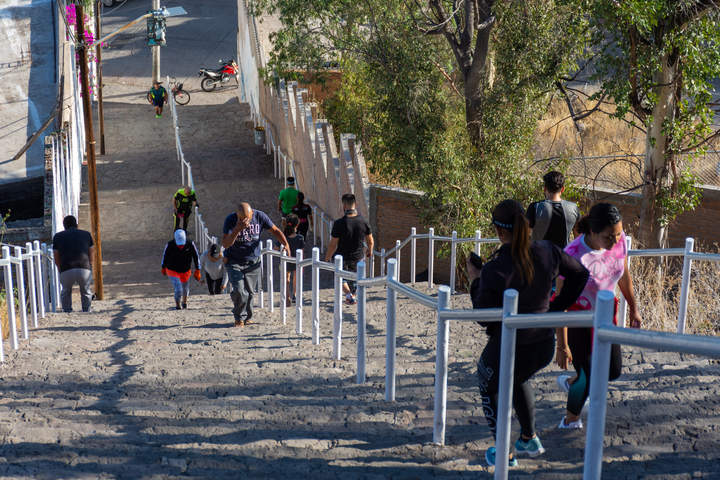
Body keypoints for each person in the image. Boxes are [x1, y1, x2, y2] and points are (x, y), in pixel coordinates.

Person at [466, 199, 589, 468]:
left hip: (512, 344)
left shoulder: (495, 268)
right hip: (542, 344)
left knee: (488, 378)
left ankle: (504, 452)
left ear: (499, 231)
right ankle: (528, 438)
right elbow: (580, 274)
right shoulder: (547, 250)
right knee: (517, 378)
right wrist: (556, 307)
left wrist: (476, 279)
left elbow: (483, 318)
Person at [555, 203, 642, 429]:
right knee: (588, 375)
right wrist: (562, 345)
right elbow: (560, 302)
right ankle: (570, 420)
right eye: (608, 237)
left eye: (617, 234)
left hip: (605, 316)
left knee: (612, 371)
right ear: (592, 232)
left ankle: (572, 382)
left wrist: (634, 307)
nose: (614, 241)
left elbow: (623, 276)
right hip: (577, 318)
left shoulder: (619, 240)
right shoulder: (572, 255)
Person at [222, 202, 290, 327]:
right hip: (233, 261)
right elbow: (225, 244)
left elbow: (275, 230)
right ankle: (238, 318)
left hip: (253, 260)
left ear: (252, 213)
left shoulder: (260, 216)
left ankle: (248, 317)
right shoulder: (230, 220)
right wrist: (237, 229)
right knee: (239, 290)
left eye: (248, 218)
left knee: (250, 291)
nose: (246, 221)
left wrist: (285, 244)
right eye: (242, 218)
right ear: (237, 215)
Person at [325, 194, 374, 305]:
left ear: (344, 206)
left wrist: (327, 257)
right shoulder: (364, 221)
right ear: (355, 204)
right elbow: (370, 240)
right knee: (356, 278)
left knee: (340, 276)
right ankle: (353, 295)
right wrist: (370, 250)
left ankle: (348, 295)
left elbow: (333, 244)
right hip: (358, 256)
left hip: (342, 257)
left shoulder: (338, 223)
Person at [526, 171, 580, 249]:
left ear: (544, 189)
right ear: (563, 189)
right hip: (563, 258)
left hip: (539, 258)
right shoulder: (573, 208)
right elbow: (578, 240)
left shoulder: (535, 207)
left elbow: (525, 236)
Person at [52, 215, 95, 313]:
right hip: (84, 267)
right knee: (86, 291)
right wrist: (90, 266)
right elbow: (91, 251)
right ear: (77, 224)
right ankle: (86, 310)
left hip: (66, 267)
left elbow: (56, 255)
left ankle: (67, 311)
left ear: (64, 226)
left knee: (66, 291)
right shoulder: (86, 234)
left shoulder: (57, 237)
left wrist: (59, 268)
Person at [161, 229, 201, 310]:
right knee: (178, 288)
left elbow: (196, 256)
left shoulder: (190, 244)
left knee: (185, 288)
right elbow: (164, 256)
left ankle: (184, 302)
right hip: (172, 270)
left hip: (185, 270)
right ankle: (177, 305)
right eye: (179, 244)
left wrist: (198, 269)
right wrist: (163, 267)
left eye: (182, 244)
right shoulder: (170, 244)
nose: (181, 246)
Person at [283, 214, 305, 306]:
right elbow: (302, 251)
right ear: (297, 225)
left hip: (286, 260)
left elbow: (276, 248)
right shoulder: (300, 238)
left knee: (286, 279)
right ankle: (295, 295)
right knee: (296, 278)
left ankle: (287, 297)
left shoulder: (283, 237)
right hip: (297, 260)